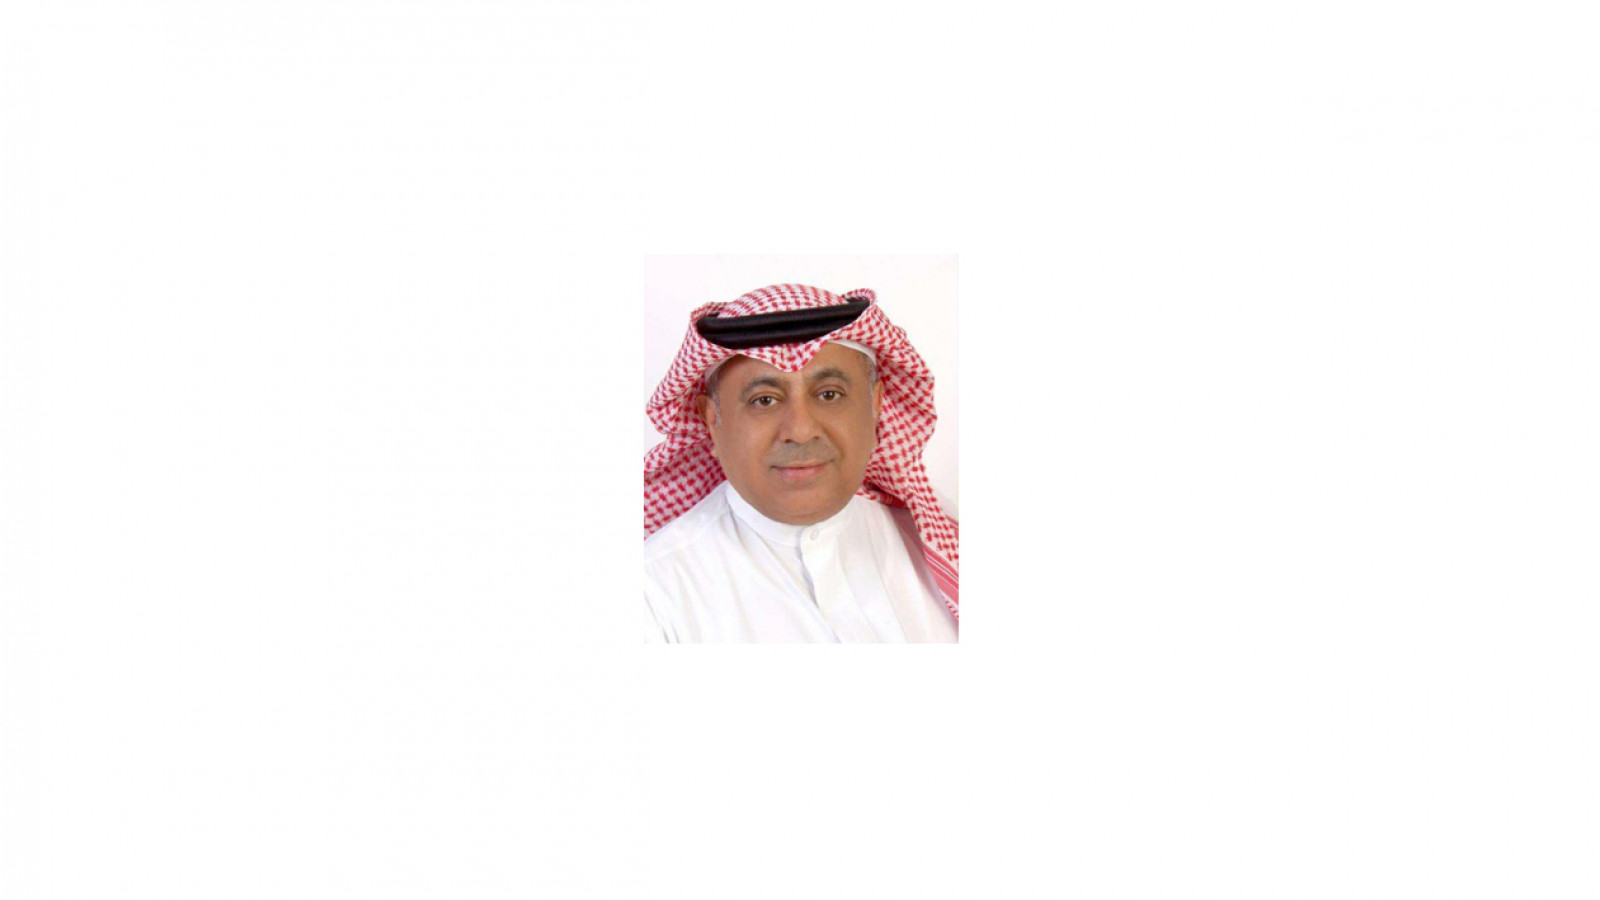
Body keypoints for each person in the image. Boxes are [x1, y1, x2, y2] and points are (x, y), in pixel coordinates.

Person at [643, 283, 958, 643]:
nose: (801, 430)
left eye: (829, 394)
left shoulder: (942, 547)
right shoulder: (653, 595)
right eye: (764, 400)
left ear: (874, 408)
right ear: (712, 421)